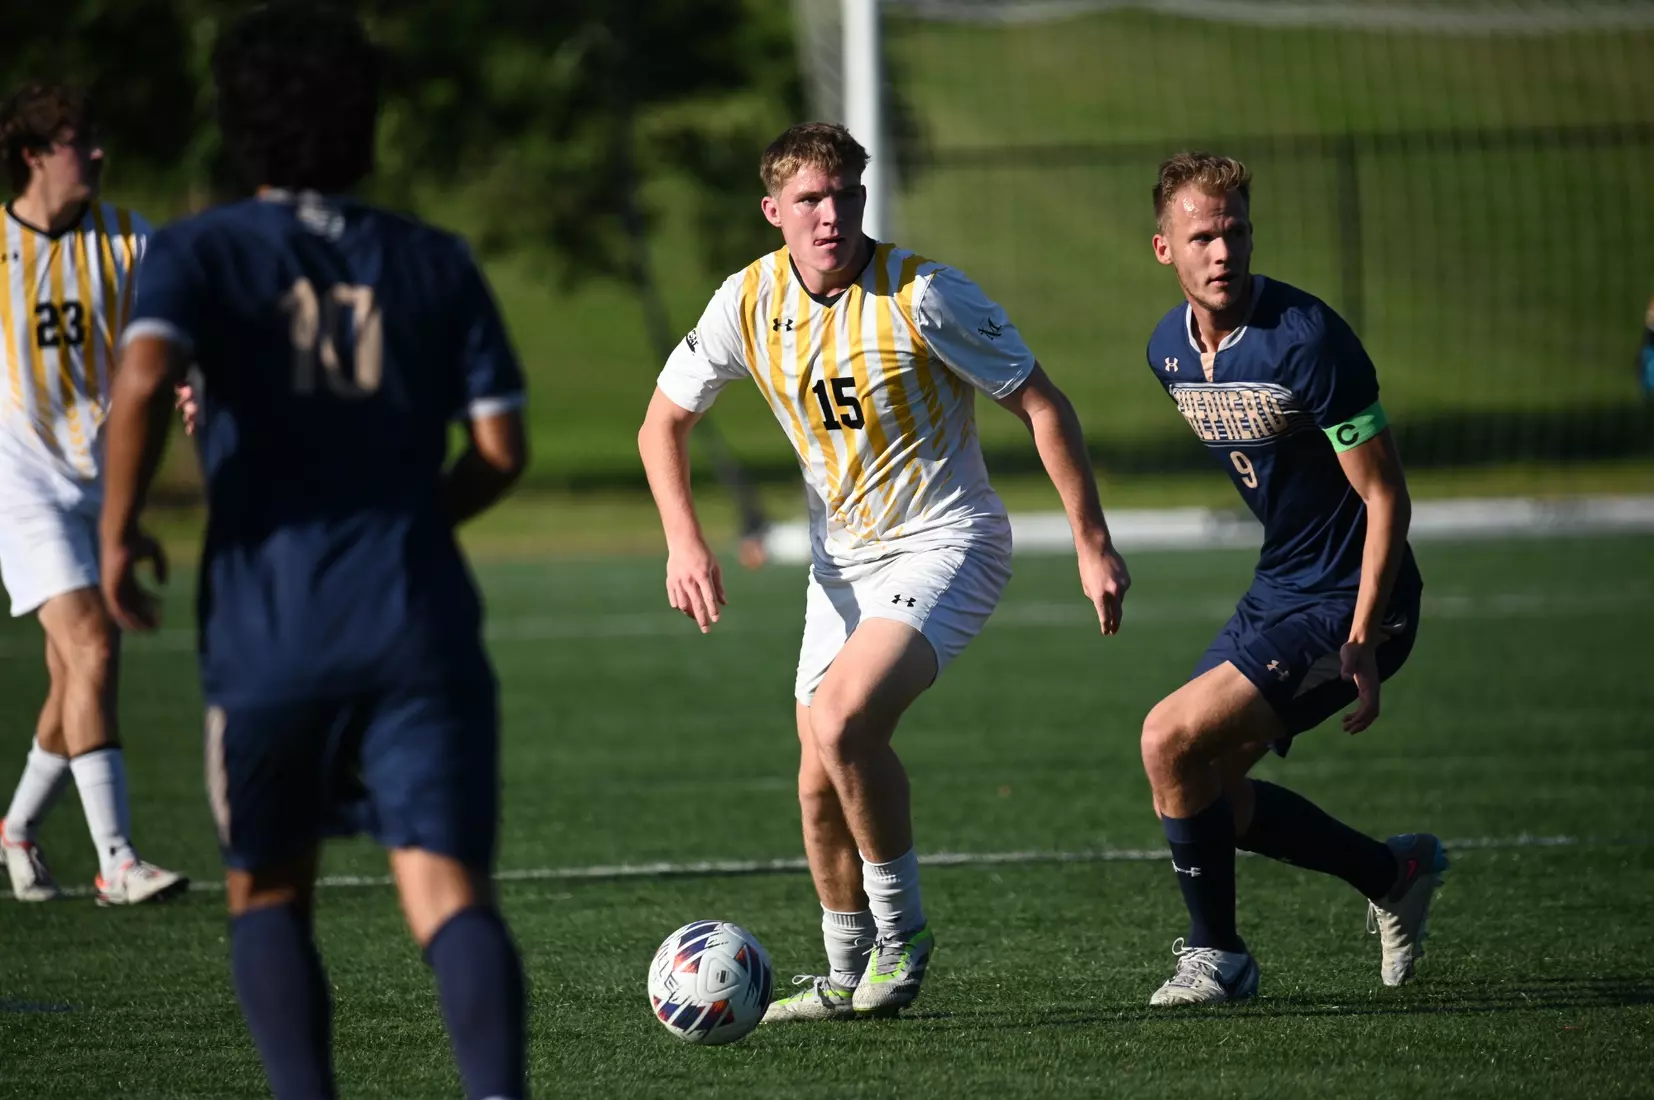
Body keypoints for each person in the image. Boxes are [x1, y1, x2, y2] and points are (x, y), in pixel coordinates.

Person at [98, 5, 528, 1097]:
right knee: (446, 890)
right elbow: (499, 447)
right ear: (363, 122)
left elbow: (145, 380)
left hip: (268, 628)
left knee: (270, 889)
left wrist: (117, 530)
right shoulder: (434, 258)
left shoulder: (197, 251)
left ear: (239, 124)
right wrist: (420, 518)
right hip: (416, 618)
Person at [638, 122, 1130, 1021]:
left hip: (949, 540)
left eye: (846, 196)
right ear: (774, 211)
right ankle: (841, 972)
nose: (832, 217)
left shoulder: (925, 294)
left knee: (844, 720)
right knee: (815, 777)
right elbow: (661, 422)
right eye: (811, 201)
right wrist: (684, 539)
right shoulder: (746, 301)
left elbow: (1041, 404)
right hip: (843, 565)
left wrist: (1091, 540)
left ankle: (901, 938)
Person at [1139, 151, 1445, 1006]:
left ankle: (1220, 957)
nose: (1223, 251)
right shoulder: (1167, 351)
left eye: (1236, 231)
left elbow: (1386, 499)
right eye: (1202, 235)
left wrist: (1361, 634)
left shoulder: (1308, 339)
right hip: (1280, 588)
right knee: (1201, 786)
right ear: (1165, 248)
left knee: (1165, 738)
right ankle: (1392, 871)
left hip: (1355, 603)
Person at [0, 80, 186, 905]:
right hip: (19, 481)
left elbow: (176, 338)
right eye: (80, 140)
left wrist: (192, 379)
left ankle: (14, 828)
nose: (98, 153)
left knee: (72, 675)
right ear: (35, 154)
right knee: (94, 650)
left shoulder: (128, 240)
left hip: (99, 481)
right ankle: (117, 862)